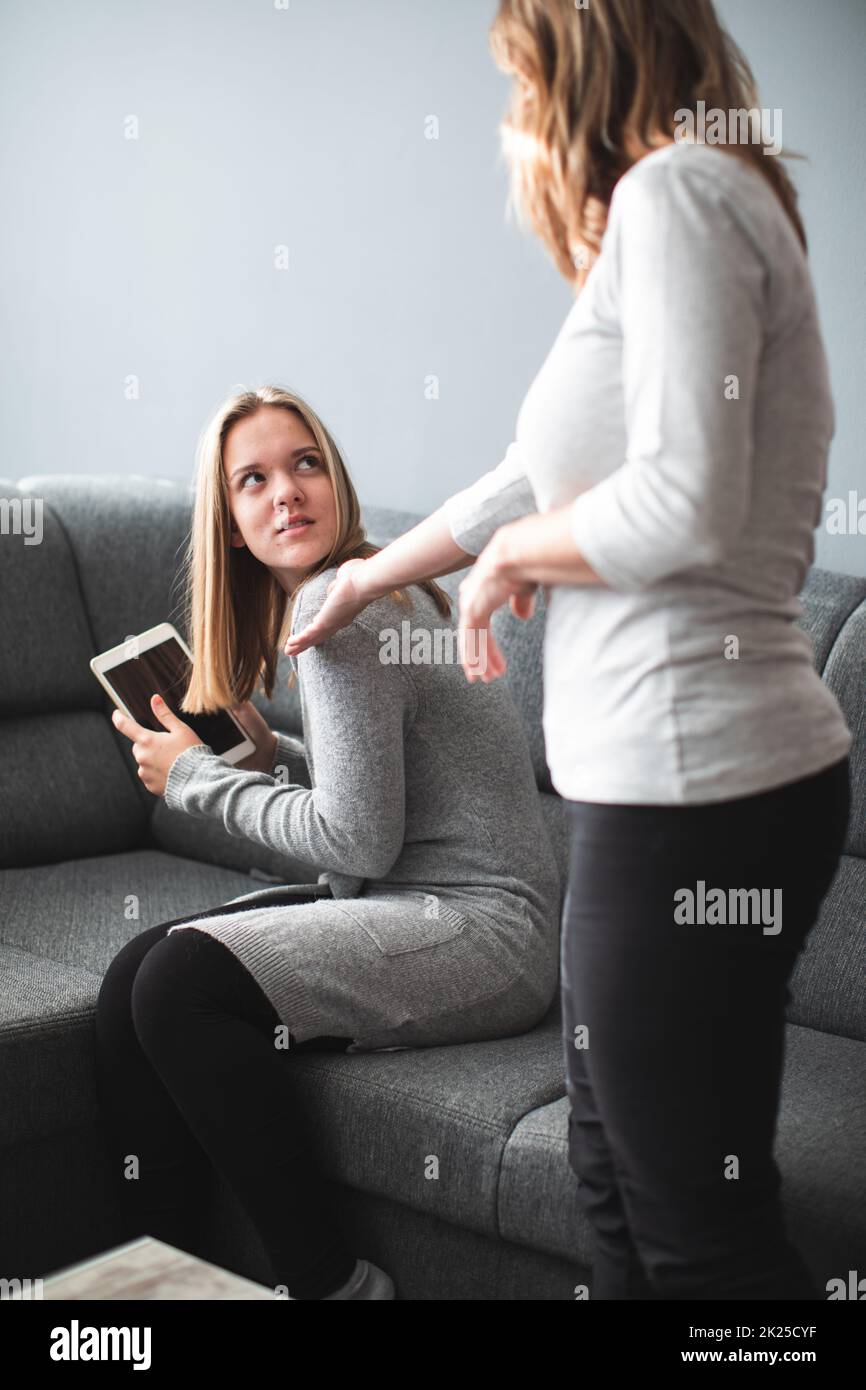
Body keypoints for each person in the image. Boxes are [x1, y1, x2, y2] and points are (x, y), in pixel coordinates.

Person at [283, 0, 853, 1300]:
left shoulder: (679, 194)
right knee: (608, 1173)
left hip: (699, 786)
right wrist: (368, 572)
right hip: (655, 791)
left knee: (692, 1225)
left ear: (570, 63)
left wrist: (515, 561)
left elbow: (684, 498)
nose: (514, 122)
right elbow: (526, 473)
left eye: (519, 79)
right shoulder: (666, 215)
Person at [94, 383, 561, 1301]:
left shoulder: (343, 615)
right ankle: (152, 1291)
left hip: (481, 935)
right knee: (128, 985)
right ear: (229, 522)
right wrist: (274, 756)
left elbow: (355, 841)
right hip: (434, 908)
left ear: (336, 482)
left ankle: (333, 1286)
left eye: (306, 464)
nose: (286, 492)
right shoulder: (378, 585)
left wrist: (197, 779)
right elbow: (389, 799)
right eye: (254, 479)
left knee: (179, 983)